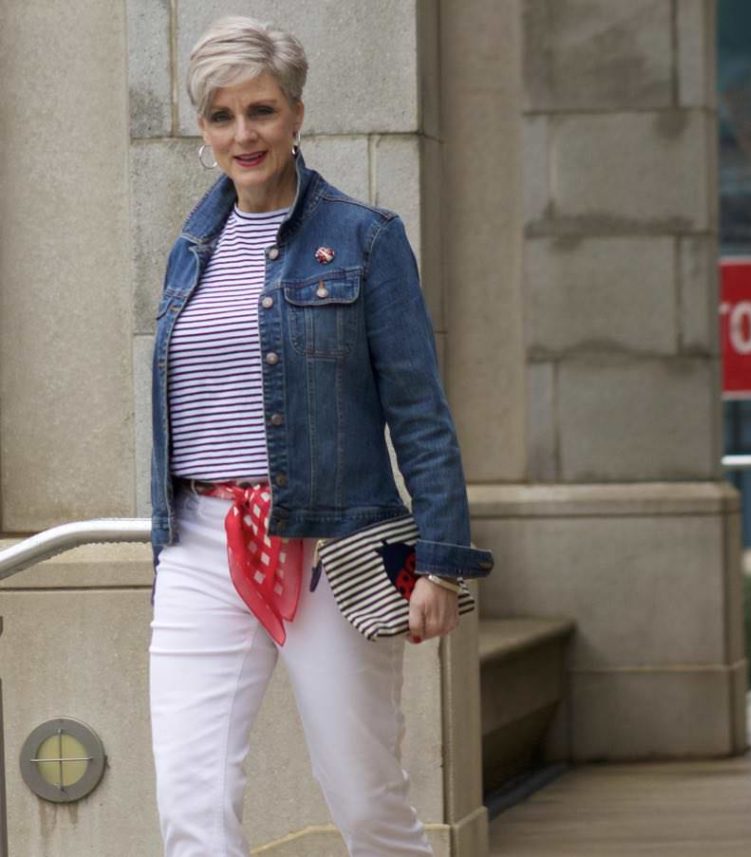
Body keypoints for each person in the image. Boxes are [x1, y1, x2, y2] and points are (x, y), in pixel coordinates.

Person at [147, 16, 493, 857]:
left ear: (297, 114)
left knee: (366, 804)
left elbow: (418, 410)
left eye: (260, 111)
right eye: (221, 116)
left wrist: (441, 559)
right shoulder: (192, 247)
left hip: (332, 543)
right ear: (202, 128)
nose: (243, 134)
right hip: (201, 540)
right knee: (189, 804)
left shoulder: (367, 240)